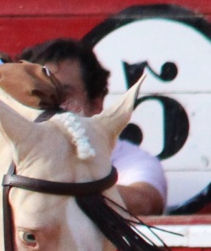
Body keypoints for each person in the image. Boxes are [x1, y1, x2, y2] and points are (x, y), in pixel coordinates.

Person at [19, 38, 167, 215]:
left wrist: (43, 187)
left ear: (96, 104)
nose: (50, 104)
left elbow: (143, 202)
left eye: (64, 94)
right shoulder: (6, 154)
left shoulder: (129, 158)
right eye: (40, 94)